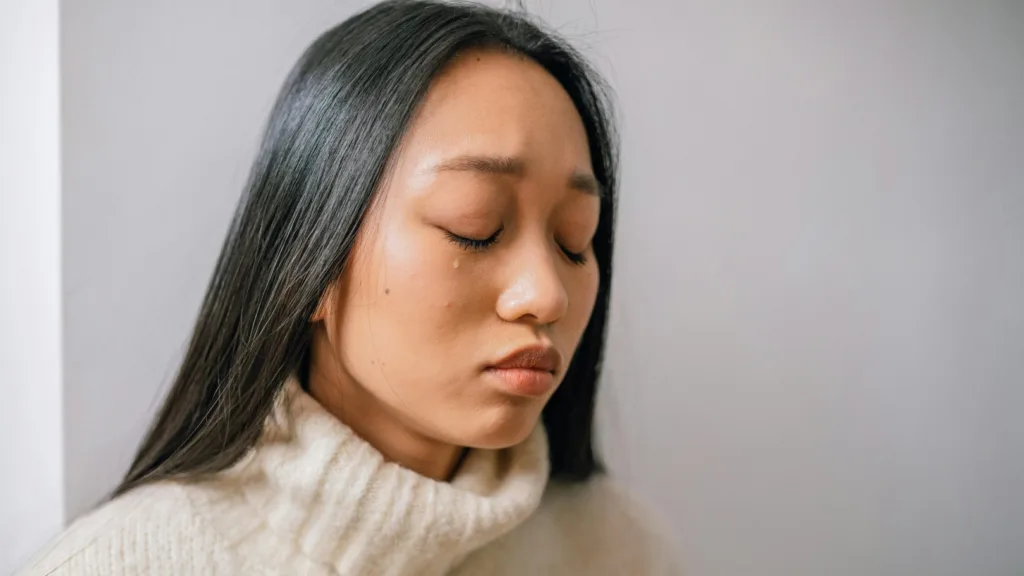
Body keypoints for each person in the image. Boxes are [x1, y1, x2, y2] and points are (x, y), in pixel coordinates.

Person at [23, 1, 678, 573]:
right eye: (474, 225)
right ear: (311, 259)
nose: (548, 294)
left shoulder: (617, 549)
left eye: (574, 238)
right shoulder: (123, 564)